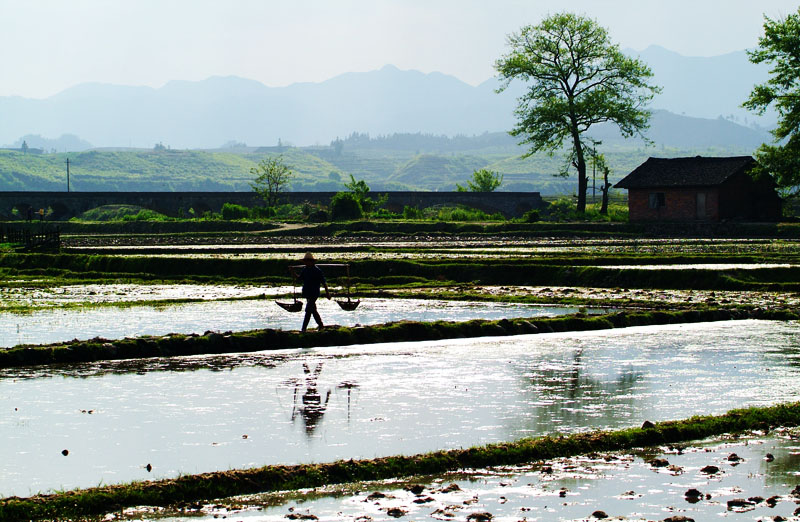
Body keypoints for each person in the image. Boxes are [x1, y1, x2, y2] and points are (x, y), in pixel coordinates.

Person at [290, 252, 330, 331]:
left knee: (308, 310)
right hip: (307, 292)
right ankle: (321, 325)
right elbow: (299, 278)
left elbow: (324, 282)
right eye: (305, 261)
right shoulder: (305, 269)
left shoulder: (317, 271)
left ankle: (303, 329)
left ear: (312, 262)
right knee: (313, 310)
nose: (306, 263)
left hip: (314, 293)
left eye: (308, 261)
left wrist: (327, 293)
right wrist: (292, 272)